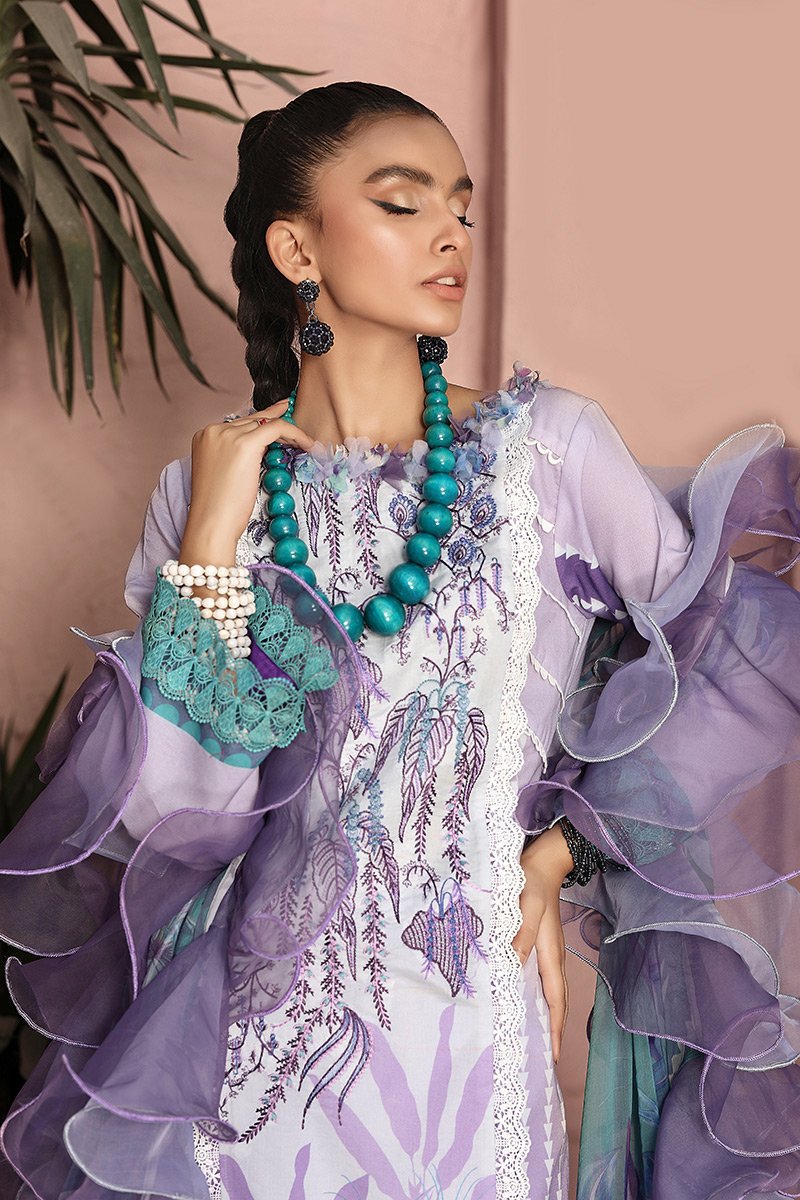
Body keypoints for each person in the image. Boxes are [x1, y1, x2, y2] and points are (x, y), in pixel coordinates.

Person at [1, 80, 799, 1200]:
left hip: (468, 1039)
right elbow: (182, 809)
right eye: (401, 203)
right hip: (242, 1066)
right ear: (297, 248)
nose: (450, 236)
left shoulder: (547, 453)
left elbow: (734, 657)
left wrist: (557, 853)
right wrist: (213, 542)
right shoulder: (206, 493)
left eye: (460, 208)